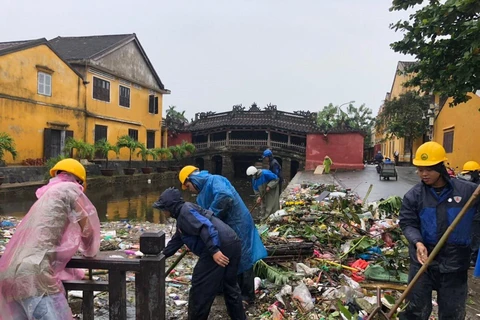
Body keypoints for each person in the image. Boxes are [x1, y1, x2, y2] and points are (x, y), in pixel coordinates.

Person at [0, 158, 101, 320]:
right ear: (79, 181)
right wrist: (90, 253)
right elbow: (88, 231)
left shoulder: (47, 196)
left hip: (8, 274)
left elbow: (48, 248)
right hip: (34, 277)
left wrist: (77, 273)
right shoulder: (70, 190)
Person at [399, 141, 480, 320]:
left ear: (440, 167)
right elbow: (407, 222)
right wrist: (418, 242)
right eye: (420, 169)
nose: (424, 174)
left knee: (452, 314)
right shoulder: (414, 195)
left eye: (429, 169)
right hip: (423, 262)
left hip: (455, 264)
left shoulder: (468, 192)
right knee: (415, 312)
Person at [179, 166, 267, 306]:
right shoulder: (201, 196)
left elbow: (225, 197)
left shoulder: (215, 180)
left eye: (188, 186)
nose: (189, 190)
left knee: (243, 257)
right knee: (226, 255)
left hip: (238, 223)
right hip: (226, 227)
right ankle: (225, 288)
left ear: (192, 179)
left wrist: (210, 216)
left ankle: (247, 295)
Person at [153, 188, 246, 320]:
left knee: (200, 287)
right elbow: (178, 239)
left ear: (170, 207)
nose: (163, 212)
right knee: (229, 286)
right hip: (232, 242)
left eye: (164, 208)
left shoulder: (185, 213)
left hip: (220, 246)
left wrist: (215, 251)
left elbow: (206, 227)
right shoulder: (184, 214)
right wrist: (162, 254)